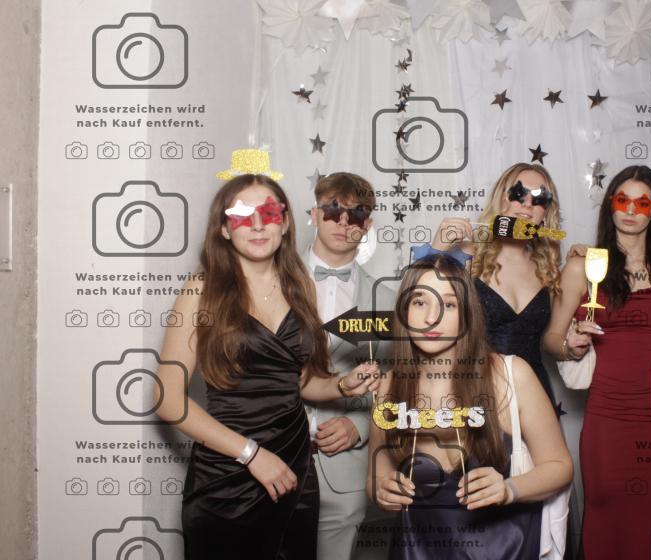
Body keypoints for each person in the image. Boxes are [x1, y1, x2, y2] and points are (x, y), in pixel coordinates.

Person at [153, 149, 379, 560]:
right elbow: (167, 399)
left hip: (295, 474)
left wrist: (343, 385)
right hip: (227, 477)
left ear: (286, 222)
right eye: (242, 215)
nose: (257, 225)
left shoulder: (298, 287)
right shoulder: (201, 291)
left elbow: (301, 380)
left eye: (269, 213)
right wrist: (251, 454)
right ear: (224, 229)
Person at [427, 162, 598, 557]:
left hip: (534, 398)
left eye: (539, 199)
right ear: (501, 197)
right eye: (518, 193)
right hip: (476, 394)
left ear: (547, 212)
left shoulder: (551, 270)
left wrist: (570, 346)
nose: (526, 204)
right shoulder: (466, 256)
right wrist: (436, 249)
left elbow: (551, 341)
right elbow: (419, 313)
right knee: (473, 511)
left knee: (537, 506)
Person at [367, 254, 574, 560]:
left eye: (449, 304)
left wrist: (509, 489)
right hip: (416, 549)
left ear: (467, 313)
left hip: (503, 550)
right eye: (420, 302)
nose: (432, 317)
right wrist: (382, 490)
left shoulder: (511, 375)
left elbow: (560, 466)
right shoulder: (388, 386)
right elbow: (377, 473)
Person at [554, 165, 651, 559]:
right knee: (606, 523)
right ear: (610, 205)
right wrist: (570, 345)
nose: (630, 210)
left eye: (642, 203)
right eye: (623, 200)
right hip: (608, 420)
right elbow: (551, 339)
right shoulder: (584, 268)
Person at [303, 172, 396, 560]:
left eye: (356, 214)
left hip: (343, 469)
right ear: (314, 214)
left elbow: (395, 383)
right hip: (270, 454)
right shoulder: (271, 282)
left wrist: (359, 426)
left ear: (368, 225)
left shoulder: (386, 301)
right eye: (332, 210)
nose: (344, 222)